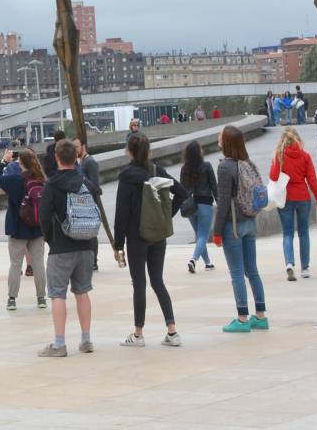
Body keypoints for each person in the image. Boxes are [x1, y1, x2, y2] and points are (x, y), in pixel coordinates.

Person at [113, 134, 187, 347]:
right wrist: (165, 218)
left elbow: (121, 213)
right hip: (158, 235)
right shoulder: (157, 171)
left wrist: (118, 244)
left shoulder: (127, 176)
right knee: (157, 281)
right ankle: (172, 331)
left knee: (139, 284)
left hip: (136, 237)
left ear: (130, 151)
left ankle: (138, 334)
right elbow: (182, 193)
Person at [36, 138, 101, 357]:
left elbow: (44, 217)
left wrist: (49, 239)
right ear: (76, 157)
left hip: (61, 247)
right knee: (83, 293)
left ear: (56, 158)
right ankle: (86, 340)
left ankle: (59, 343)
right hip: (86, 245)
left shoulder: (52, 185)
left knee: (57, 295)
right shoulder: (87, 183)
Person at [214, 125, 268, 332]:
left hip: (233, 226)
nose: (218, 138)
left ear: (226, 142)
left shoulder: (225, 167)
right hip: (250, 222)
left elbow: (224, 202)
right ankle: (261, 316)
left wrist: (217, 231)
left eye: (220, 136)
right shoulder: (248, 163)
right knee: (252, 270)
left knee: (236, 272)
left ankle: (242, 318)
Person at [0, 147, 48, 313]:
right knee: (38, 263)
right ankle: (41, 297)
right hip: (37, 228)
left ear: (21, 163)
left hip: (18, 227)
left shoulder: (15, 179)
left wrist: (4, 161)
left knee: (16, 264)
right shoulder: (41, 179)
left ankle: (12, 299)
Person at [270, 125, 317, 280]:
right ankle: (305, 268)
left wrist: (276, 160)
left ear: (282, 140)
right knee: (303, 233)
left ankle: (289, 263)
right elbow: (312, 180)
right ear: (297, 140)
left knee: (288, 233)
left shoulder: (279, 156)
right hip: (303, 198)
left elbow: (273, 177)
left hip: (286, 199)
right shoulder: (305, 156)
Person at [179, 140, 216, 273]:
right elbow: (214, 186)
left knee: (199, 235)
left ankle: (208, 263)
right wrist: (221, 203)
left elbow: (182, 189)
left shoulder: (184, 169)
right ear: (198, 152)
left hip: (190, 207)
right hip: (205, 204)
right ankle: (193, 259)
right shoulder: (206, 166)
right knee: (203, 236)